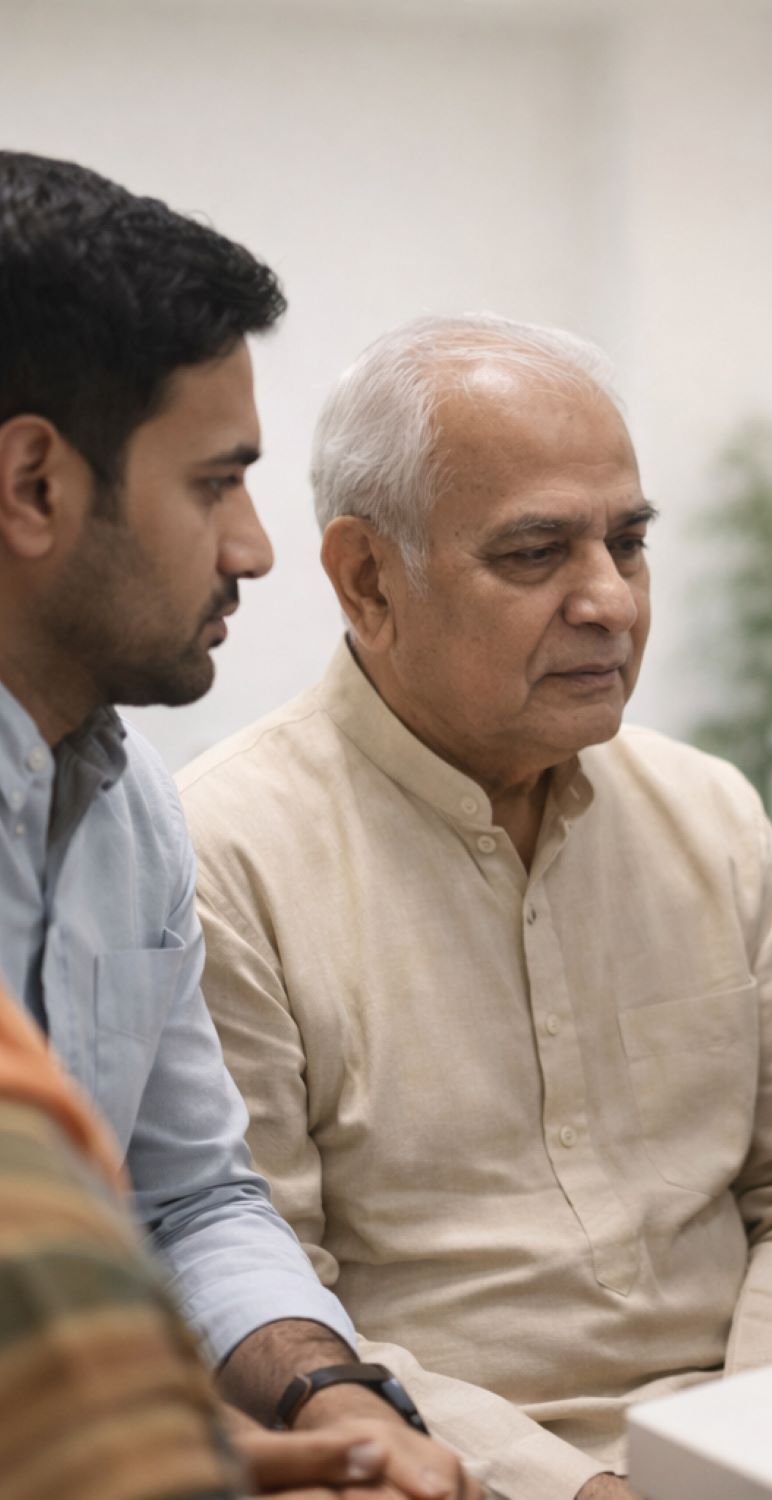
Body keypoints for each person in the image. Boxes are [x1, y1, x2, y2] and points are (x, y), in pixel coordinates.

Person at [176, 312, 772, 1500]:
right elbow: (270, 1306)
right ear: (368, 579)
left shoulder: (709, 815)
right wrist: (575, 1489)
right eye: (536, 555)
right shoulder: (221, 856)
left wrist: (747, 1455)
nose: (610, 602)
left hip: (765, 1444)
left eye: (629, 543)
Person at [0, 150, 474, 1497]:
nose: (256, 549)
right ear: (35, 485)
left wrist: (335, 1402)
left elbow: (189, 1195)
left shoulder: (130, 810)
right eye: (216, 483)